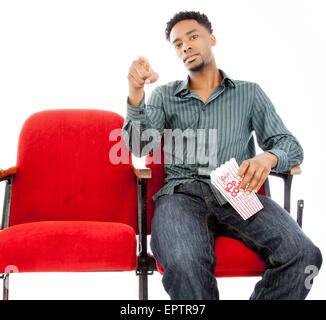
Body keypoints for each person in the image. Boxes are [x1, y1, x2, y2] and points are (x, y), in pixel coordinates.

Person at [122, 11, 322, 300]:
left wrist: (269, 158)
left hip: (238, 193)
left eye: (193, 36)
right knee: (184, 263)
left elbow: (289, 145)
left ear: (211, 39)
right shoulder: (164, 95)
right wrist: (135, 93)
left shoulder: (249, 94)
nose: (185, 46)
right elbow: (139, 147)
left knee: (304, 255)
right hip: (181, 196)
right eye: (178, 44)